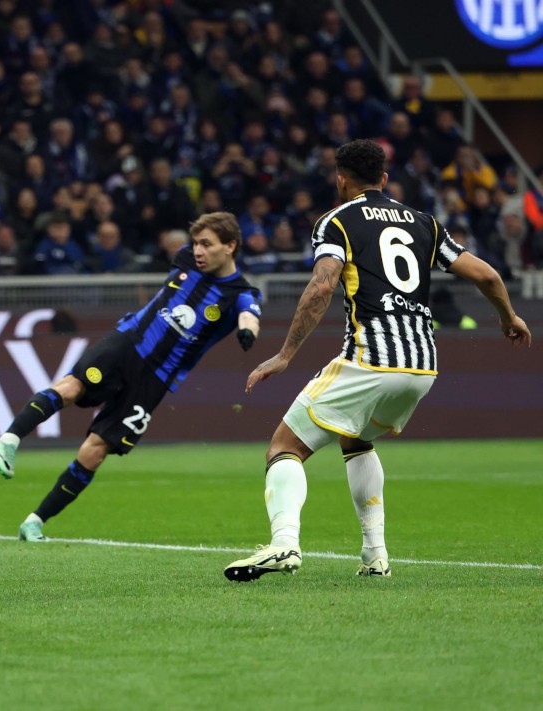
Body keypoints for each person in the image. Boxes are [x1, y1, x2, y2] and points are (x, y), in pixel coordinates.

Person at [225, 140, 531, 582]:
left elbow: (322, 285)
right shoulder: (425, 223)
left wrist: (285, 354)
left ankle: (284, 543)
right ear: (384, 179)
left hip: (372, 358)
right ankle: (375, 556)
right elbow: (487, 274)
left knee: (284, 447)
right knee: (355, 440)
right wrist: (509, 317)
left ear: (341, 180)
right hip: (422, 365)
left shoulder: (337, 221)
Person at [0, 212, 262, 542]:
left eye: (207, 244)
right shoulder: (185, 259)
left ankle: (34, 522)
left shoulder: (240, 293)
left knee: (96, 449)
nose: (198, 250)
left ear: (230, 246)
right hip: (127, 343)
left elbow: (249, 314)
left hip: (156, 379)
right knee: (72, 387)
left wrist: (247, 331)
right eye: (196, 243)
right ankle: (8, 441)